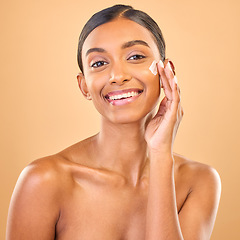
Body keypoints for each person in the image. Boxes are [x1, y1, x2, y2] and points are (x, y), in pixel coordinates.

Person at [6, 4, 221, 240]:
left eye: (136, 56)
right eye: (99, 63)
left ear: (166, 72)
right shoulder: (44, 181)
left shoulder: (199, 182)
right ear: (84, 86)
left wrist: (160, 154)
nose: (118, 76)